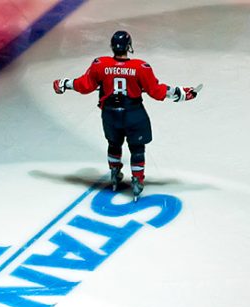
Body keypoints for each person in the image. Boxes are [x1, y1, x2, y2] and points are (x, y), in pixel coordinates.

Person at [53, 30, 201, 199]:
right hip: (134, 114)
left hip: (110, 114)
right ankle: (137, 181)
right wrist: (182, 93)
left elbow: (85, 85)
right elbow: (156, 90)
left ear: (112, 46)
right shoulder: (140, 67)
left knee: (114, 144)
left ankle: (115, 174)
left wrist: (64, 84)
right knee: (137, 148)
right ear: (128, 46)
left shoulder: (99, 64)